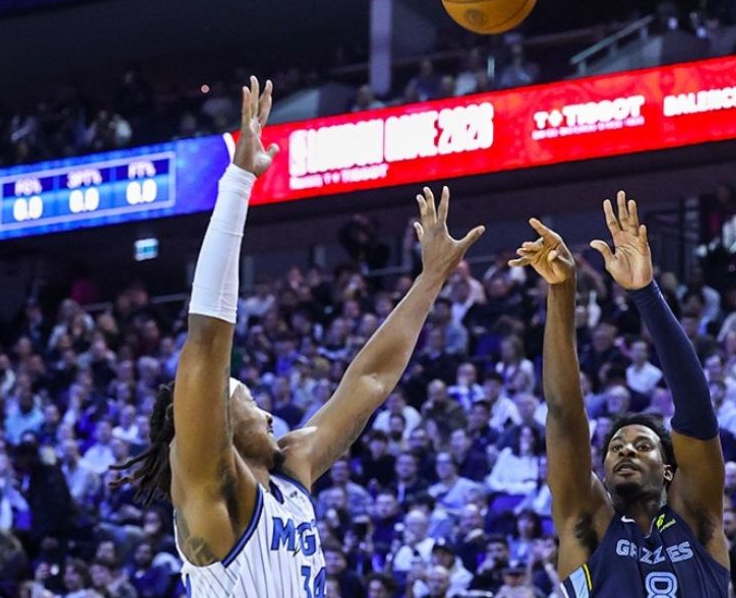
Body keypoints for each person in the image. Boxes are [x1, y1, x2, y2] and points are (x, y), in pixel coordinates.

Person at [111, 77, 485, 596]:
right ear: (212, 416)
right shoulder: (206, 486)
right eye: (248, 399)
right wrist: (238, 182)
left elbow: (370, 381)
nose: (267, 413)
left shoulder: (291, 471)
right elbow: (206, 340)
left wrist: (430, 281)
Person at [509, 190, 730, 596]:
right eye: (615, 447)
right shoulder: (588, 523)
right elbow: (563, 415)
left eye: (642, 446)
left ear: (669, 470)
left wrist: (645, 292)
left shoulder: (697, 519)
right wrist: (562, 289)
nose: (625, 451)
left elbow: (697, 409)